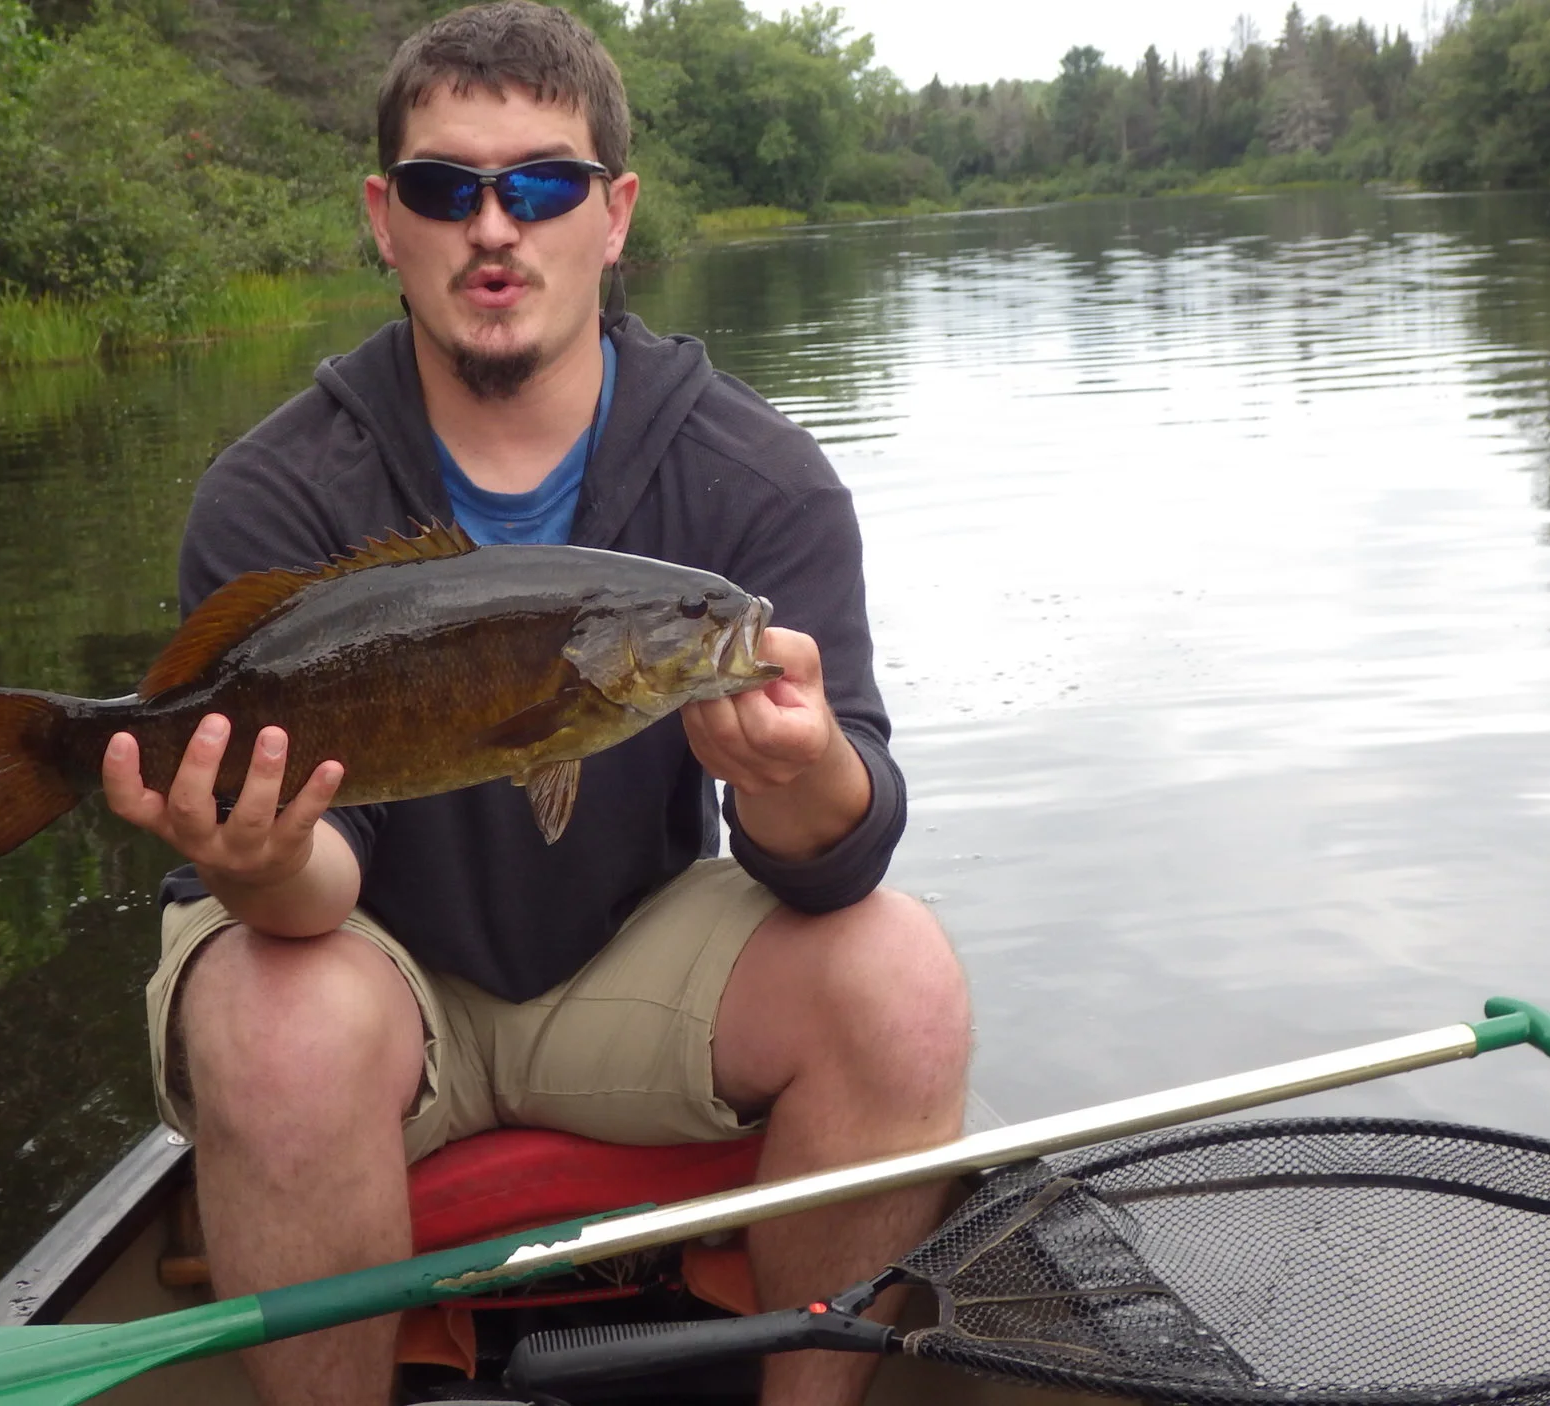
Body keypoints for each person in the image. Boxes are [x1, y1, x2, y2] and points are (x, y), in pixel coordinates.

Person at [99, 5, 971, 1403]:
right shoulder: (274, 496)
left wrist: (801, 781)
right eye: (448, 189)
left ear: (614, 213)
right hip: (364, 963)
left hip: (628, 963)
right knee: (272, 1012)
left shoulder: (758, 480)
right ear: (385, 220)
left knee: (901, 970)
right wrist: (253, 857)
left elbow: (842, 851)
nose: (494, 227)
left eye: (543, 183)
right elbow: (315, 895)